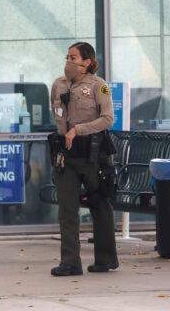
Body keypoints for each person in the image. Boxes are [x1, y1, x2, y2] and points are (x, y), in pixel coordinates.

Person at [49, 41, 118, 276]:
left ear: (86, 62)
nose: (69, 61)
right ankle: (70, 262)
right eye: (67, 56)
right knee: (67, 209)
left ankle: (105, 259)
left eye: (74, 57)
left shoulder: (99, 86)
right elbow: (56, 114)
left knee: (100, 204)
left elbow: (108, 119)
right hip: (65, 156)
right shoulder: (58, 85)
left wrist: (78, 129)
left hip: (91, 154)